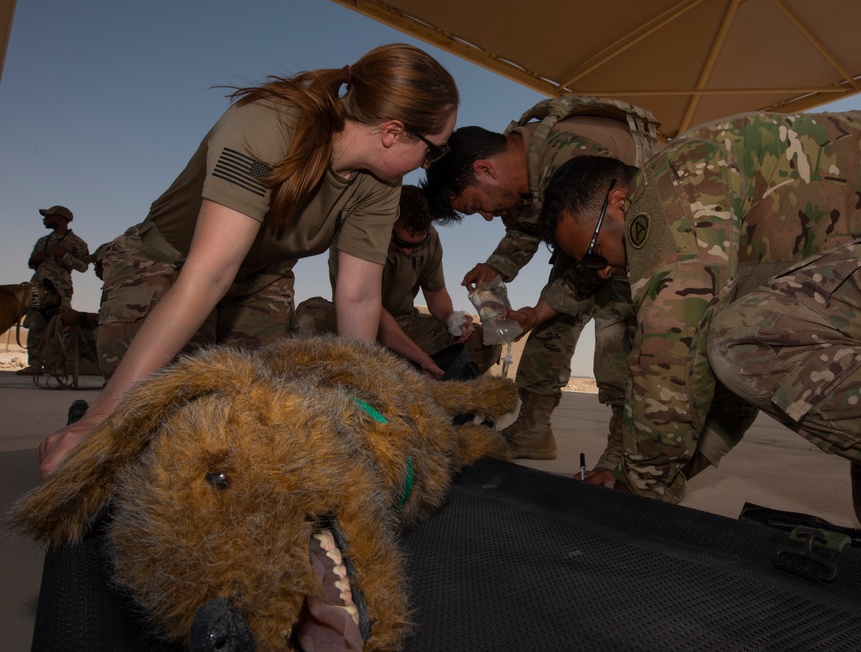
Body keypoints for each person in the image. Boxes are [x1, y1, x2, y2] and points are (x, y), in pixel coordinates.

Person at [539, 110, 861, 548]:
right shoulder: (717, 240)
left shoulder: (666, 183)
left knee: (745, 336)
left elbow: (674, 349)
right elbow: (732, 388)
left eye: (597, 252)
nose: (600, 272)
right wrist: (630, 474)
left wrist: (641, 490)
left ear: (620, 202)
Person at [37, 43, 459, 478]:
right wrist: (102, 418)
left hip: (261, 278)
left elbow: (358, 297)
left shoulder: (381, 184)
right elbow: (209, 272)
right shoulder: (269, 126)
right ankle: (88, 414)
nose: (429, 164)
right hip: (165, 264)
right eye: (434, 150)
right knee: (156, 418)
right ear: (393, 132)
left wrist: (366, 408)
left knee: (248, 420)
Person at [421, 101, 656, 467]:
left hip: (626, 234)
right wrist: (496, 267)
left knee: (616, 329)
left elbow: (597, 259)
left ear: (485, 169)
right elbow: (529, 226)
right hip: (585, 239)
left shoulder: (572, 155)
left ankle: (626, 448)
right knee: (551, 325)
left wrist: (545, 305)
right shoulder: (521, 171)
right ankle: (533, 428)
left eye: (476, 205)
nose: (486, 216)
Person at [296, 185, 501, 376]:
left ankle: (415, 380)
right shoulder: (358, 232)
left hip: (404, 325)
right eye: (401, 242)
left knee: (485, 342)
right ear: (387, 222)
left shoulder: (431, 239)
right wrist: (420, 357)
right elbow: (365, 304)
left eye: (416, 244)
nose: (407, 251)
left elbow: (435, 293)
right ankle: (402, 371)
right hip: (352, 322)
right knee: (310, 316)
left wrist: (450, 319)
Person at [18, 205, 90, 374]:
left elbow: (83, 266)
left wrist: (63, 255)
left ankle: (54, 366)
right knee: (35, 323)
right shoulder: (43, 241)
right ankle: (35, 364)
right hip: (37, 288)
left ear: (59, 218)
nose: (44, 219)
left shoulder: (77, 243)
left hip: (60, 291)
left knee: (58, 325)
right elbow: (31, 264)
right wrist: (35, 259)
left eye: (48, 216)